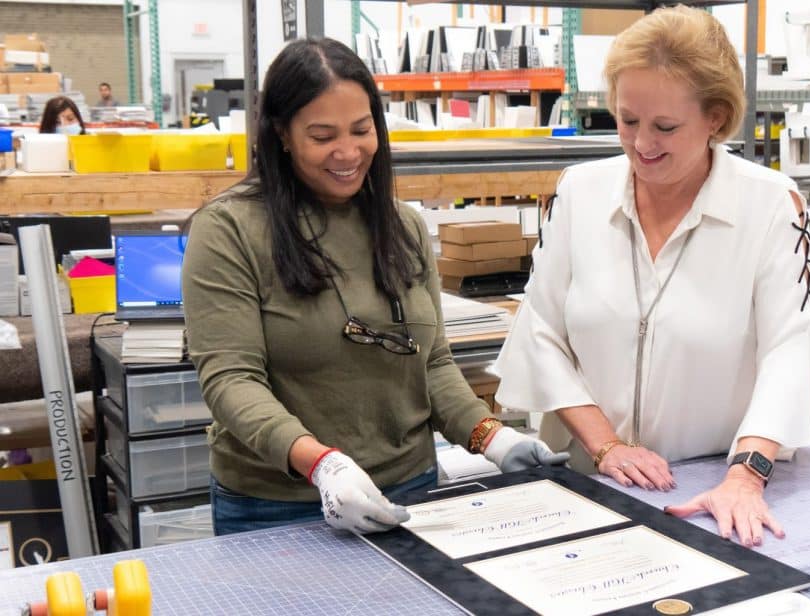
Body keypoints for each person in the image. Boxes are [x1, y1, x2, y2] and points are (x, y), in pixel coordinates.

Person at [181, 37, 567, 537]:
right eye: (322, 136)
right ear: (281, 134)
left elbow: (431, 363)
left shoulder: (401, 226)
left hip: (411, 489)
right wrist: (321, 465)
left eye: (362, 130)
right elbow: (231, 380)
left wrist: (491, 437)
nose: (348, 152)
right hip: (278, 505)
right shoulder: (229, 230)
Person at [494, 5, 810, 549]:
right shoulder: (579, 192)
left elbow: (787, 351)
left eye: (666, 127)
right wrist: (608, 447)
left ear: (716, 118)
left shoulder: (770, 205)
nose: (641, 144)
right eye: (627, 120)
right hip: (588, 482)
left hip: (706, 490)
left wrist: (745, 476)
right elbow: (541, 330)